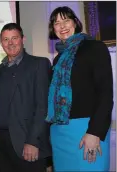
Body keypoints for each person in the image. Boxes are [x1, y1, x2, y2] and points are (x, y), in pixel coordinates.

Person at [46, 6, 113, 171]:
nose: (62, 26)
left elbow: (105, 93)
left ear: (75, 22)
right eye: (57, 23)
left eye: (66, 20)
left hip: (87, 130)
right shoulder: (58, 59)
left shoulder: (94, 48)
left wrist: (95, 132)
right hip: (59, 131)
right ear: (53, 29)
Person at [0, 23, 52, 172]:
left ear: (23, 39)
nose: (10, 43)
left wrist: (33, 141)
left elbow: (43, 107)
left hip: (27, 143)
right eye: (6, 39)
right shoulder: (0, 70)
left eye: (14, 38)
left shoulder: (38, 64)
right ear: (1, 43)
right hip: (4, 144)